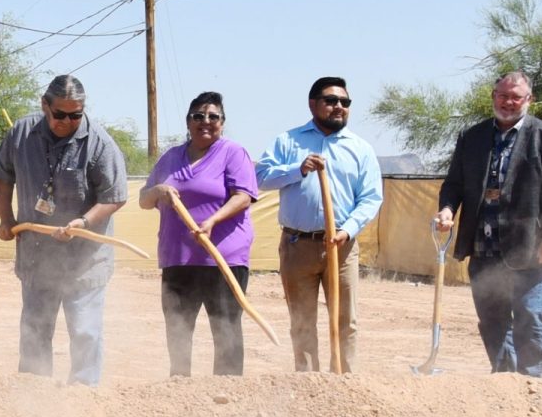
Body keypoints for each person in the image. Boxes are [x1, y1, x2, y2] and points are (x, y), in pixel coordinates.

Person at [434, 71, 542, 376]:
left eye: (516, 97)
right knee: (491, 318)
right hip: (483, 245)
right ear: (493, 96)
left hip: (530, 248)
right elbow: (454, 184)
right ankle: (504, 383)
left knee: (529, 316)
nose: (508, 102)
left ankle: (531, 384)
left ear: (529, 100)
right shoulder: (471, 137)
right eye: (503, 95)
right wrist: (447, 210)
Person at [0, 74, 129, 386]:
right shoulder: (21, 133)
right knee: (35, 330)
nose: (68, 121)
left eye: (76, 114)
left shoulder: (100, 144)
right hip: (37, 259)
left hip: (84, 262)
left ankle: (83, 396)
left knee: (85, 331)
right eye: (60, 114)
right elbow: (3, 176)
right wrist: (6, 219)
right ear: (44, 105)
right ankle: (33, 392)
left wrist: (84, 222)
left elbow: (114, 196)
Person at [255, 76, 384, 372]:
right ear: (313, 104)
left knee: (346, 321)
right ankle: (309, 384)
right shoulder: (288, 141)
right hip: (297, 244)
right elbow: (260, 178)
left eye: (345, 102)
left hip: (342, 247)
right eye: (331, 100)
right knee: (301, 321)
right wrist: (297, 169)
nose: (339, 107)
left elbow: (371, 198)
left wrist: (347, 230)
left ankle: (343, 382)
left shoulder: (360, 149)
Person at [139, 91, 259, 377]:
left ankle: (226, 390)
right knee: (178, 328)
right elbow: (145, 200)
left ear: (222, 122)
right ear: (188, 122)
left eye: (213, 117)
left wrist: (212, 220)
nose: (206, 121)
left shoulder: (233, 153)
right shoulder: (171, 158)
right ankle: (181, 389)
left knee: (226, 326)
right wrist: (157, 191)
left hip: (222, 259)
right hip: (178, 257)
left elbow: (243, 196)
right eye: (198, 116)